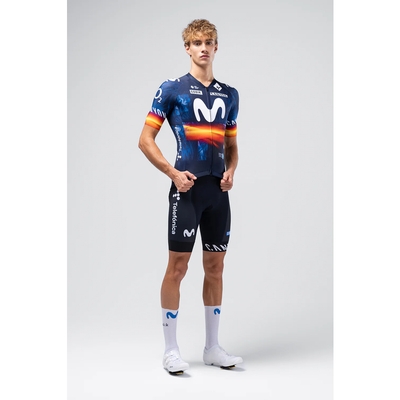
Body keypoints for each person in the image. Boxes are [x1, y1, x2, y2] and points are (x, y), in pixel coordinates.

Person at [138, 19, 243, 375]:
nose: (203, 48)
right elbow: (145, 140)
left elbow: (231, 145)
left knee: (215, 267)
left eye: (209, 42)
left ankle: (212, 347)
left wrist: (231, 170)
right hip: (187, 191)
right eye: (196, 42)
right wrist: (172, 173)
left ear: (216, 47)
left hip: (218, 194)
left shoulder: (230, 94)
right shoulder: (172, 89)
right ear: (187, 48)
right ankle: (171, 351)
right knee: (178, 268)